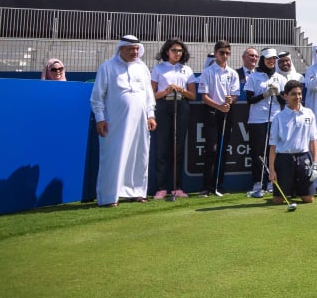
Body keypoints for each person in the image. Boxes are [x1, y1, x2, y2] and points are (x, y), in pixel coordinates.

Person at [90, 35, 157, 207]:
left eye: (136, 49)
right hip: (115, 122)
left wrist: (151, 115)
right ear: (121, 49)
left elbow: (149, 95)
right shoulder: (107, 67)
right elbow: (97, 97)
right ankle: (108, 197)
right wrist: (100, 118)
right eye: (130, 49)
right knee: (113, 157)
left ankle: (136, 192)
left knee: (139, 155)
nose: (135, 52)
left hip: (141, 122)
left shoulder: (142, 68)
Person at [150, 38, 196, 199]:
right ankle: (161, 188)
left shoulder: (187, 70)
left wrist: (180, 89)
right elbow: (152, 94)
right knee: (162, 147)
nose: (177, 53)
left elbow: (192, 94)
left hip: (181, 106)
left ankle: (178, 187)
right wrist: (167, 90)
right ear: (167, 51)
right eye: (174, 50)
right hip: (163, 106)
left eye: (180, 51)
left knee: (178, 147)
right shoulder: (158, 68)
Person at [196, 39, 240, 197]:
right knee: (211, 150)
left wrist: (231, 100)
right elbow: (204, 97)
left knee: (222, 149)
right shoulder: (208, 72)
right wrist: (219, 106)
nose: (225, 56)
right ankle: (206, 187)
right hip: (212, 113)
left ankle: (218, 185)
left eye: (228, 53)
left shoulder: (233, 73)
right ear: (215, 53)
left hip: (227, 113)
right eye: (222, 53)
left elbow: (235, 95)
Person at [267, 79, 317, 205]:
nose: (298, 97)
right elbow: (273, 146)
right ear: (285, 96)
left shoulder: (309, 113)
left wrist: (315, 163)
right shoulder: (278, 117)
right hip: (284, 159)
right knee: (278, 201)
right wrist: (272, 169)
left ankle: (297, 190)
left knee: (309, 199)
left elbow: (313, 141)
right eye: (294, 94)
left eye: (299, 94)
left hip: (303, 157)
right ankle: (289, 190)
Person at [244, 48, 286, 198]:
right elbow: (249, 100)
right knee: (258, 152)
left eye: (274, 59)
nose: (271, 61)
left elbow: (284, 102)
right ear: (263, 59)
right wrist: (265, 94)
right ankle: (257, 182)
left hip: (275, 118)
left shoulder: (280, 78)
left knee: (273, 151)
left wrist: (277, 94)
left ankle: (271, 181)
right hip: (257, 119)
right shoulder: (253, 77)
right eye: (268, 59)